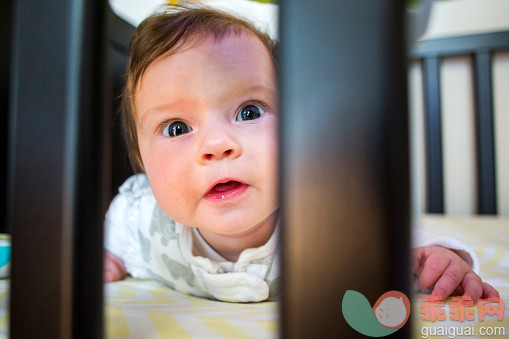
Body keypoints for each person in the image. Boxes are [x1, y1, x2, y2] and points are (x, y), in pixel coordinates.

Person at [103, 4, 499, 303]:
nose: (217, 145)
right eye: (177, 128)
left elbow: (393, 241)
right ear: (140, 160)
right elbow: (111, 236)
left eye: (250, 111)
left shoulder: (323, 216)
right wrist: (108, 257)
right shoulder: (141, 222)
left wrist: (438, 258)